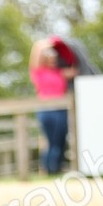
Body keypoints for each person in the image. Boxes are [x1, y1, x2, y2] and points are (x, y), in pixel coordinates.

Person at [29, 39, 77, 175]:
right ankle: (49, 169)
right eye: (50, 58)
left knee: (60, 140)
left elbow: (76, 68)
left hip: (61, 109)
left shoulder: (60, 73)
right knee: (51, 141)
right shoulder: (39, 72)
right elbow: (36, 51)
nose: (53, 61)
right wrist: (50, 41)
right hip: (46, 110)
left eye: (55, 58)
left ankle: (56, 167)